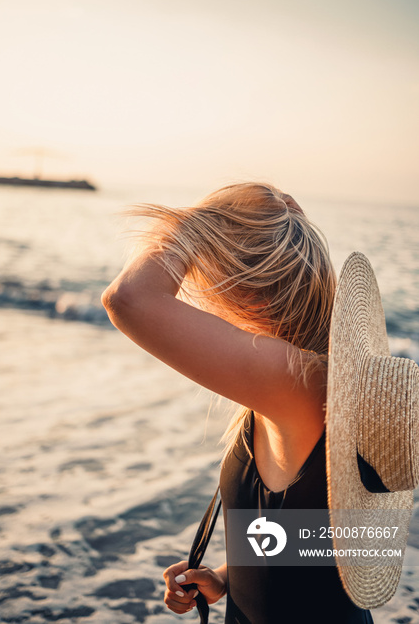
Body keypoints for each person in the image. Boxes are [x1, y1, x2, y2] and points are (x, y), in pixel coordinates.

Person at [101, 182, 375, 623]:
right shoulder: (295, 387)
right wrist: (228, 576)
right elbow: (314, 535)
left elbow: (129, 299)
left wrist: (198, 222)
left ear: (246, 292)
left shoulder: (302, 381)